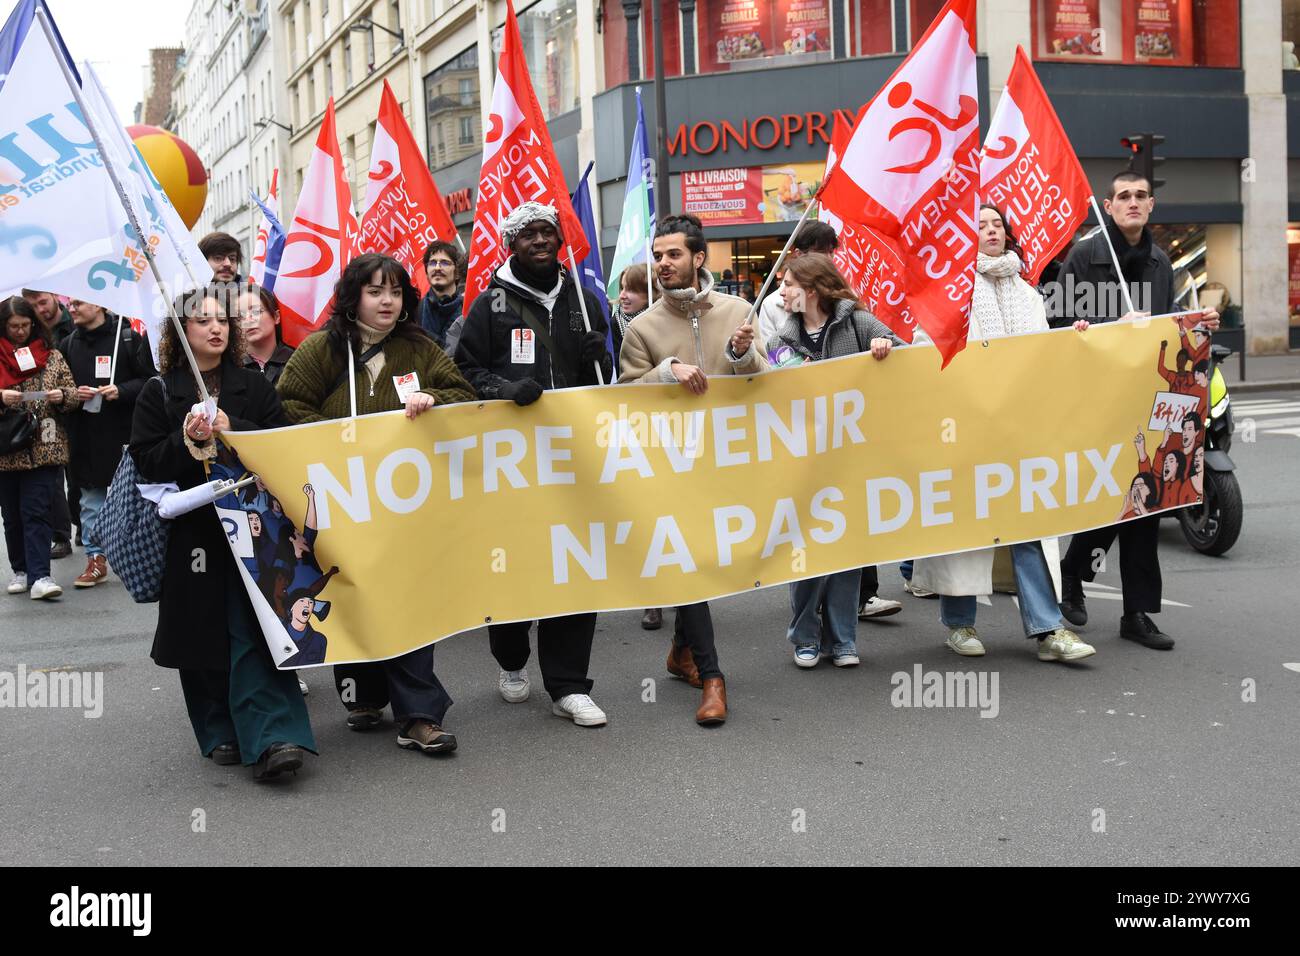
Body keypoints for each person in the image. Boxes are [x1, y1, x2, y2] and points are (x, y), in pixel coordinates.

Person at [278, 252, 473, 754]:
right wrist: (333, 442)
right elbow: (288, 405)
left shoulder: (419, 347)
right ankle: (362, 695)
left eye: (395, 292)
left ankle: (420, 714)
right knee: (355, 590)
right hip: (343, 497)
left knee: (408, 596)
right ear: (353, 297)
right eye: (375, 291)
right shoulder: (322, 348)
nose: (387, 301)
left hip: (404, 502)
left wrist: (432, 398)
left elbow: (461, 394)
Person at [129, 285, 315, 781]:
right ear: (181, 332)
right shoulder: (160, 391)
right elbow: (146, 463)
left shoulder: (251, 385)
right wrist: (186, 438)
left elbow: (282, 443)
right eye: (202, 321)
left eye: (223, 321)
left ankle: (276, 735)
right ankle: (218, 728)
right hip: (193, 534)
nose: (216, 328)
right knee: (203, 632)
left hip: (254, 524)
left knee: (255, 628)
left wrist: (235, 429)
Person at [914, 204, 1096, 663]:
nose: (991, 231)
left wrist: (1070, 338)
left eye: (997, 225)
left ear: (1007, 235)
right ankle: (959, 625)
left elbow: (1040, 355)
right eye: (980, 225)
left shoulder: (1029, 293)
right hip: (966, 428)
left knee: (1028, 526)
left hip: (1020, 428)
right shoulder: (950, 290)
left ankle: (1048, 629)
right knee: (965, 526)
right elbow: (924, 350)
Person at [456, 201, 613, 729]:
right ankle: (511, 657)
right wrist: (503, 389)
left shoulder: (586, 300)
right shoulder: (489, 304)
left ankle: (569, 685)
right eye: (529, 235)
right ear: (511, 244)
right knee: (517, 563)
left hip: (574, 461)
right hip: (513, 464)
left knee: (575, 563)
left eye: (548, 232)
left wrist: (602, 356)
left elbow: (604, 382)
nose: (541, 241)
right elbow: (464, 370)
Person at [1049, 171, 1220, 652]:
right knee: (1110, 497)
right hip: (1099, 399)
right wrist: (1111, 327)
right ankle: (1074, 571)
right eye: (1123, 196)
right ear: (1108, 205)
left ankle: (1137, 612)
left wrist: (1200, 324)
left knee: (1146, 499)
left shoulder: (1162, 263)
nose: (1133, 203)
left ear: (1151, 207)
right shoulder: (1084, 256)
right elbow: (1060, 323)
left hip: (1148, 400)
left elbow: (1168, 327)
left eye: (1141, 196)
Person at [619, 212, 767, 725]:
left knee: (703, 562)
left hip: (727, 462)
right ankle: (712, 677)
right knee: (689, 563)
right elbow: (624, 396)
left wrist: (742, 356)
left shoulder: (740, 311)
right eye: (657, 255)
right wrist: (667, 371)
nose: (663, 263)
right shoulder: (642, 328)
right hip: (671, 467)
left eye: (673, 254)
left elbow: (763, 381)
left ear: (698, 258)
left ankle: (682, 651)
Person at [758, 253, 902, 667]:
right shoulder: (779, 342)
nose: (781, 292)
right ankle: (804, 636)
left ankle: (843, 641)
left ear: (814, 288)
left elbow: (910, 356)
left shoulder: (858, 321)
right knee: (805, 554)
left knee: (846, 553)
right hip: (804, 464)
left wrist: (885, 346)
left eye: (788, 285)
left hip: (853, 460)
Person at [58, 298, 151, 588]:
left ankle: (141, 556)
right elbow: (59, 389)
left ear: (99, 305)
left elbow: (149, 380)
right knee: (89, 500)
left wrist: (120, 391)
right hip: (84, 433)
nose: (72, 308)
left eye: (78, 303)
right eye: (70, 304)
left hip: (125, 432)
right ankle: (95, 558)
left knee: (136, 499)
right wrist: (73, 394)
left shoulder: (127, 337)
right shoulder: (68, 344)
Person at [1, 296, 80, 600]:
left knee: (36, 511)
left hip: (46, 444)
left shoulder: (51, 355)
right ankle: (20, 570)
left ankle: (40, 576)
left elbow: (72, 393)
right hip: (6, 449)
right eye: (13, 326)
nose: (20, 332)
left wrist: (62, 396)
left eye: (25, 325)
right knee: (12, 514)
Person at [607, 264, 661, 629]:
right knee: (644, 513)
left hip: (664, 428)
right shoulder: (610, 326)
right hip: (627, 427)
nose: (624, 295)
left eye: (634, 290)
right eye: (623, 288)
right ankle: (652, 597)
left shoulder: (661, 324)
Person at [21, 289, 76, 558]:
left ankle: (80, 524)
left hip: (77, 412)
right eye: (33, 305)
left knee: (77, 482)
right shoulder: (29, 333)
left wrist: (67, 394)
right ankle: (61, 536)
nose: (39, 309)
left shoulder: (74, 324)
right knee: (52, 480)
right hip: (45, 418)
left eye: (42, 302)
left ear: (55, 297)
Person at [756, 221, 840, 346]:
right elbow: (770, 358)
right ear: (799, 254)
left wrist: (878, 342)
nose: (828, 259)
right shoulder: (772, 305)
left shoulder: (844, 297)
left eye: (831, 251)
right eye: (820, 253)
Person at [237, 283, 294, 386]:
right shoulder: (231, 367)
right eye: (240, 316)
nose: (248, 320)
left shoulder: (297, 361)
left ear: (276, 317)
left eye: (256, 311)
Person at [418, 240, 465, 354]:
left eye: (445, 263)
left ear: (457, 271)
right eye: (433, 263)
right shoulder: (414, 310)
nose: (437, 268)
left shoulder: (468, 311)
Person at [609, 263, 650, 377]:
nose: (622, 295)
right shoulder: (613, 325)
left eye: (631, 290)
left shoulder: (661, 321)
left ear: (649, 292)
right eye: (622, 288)